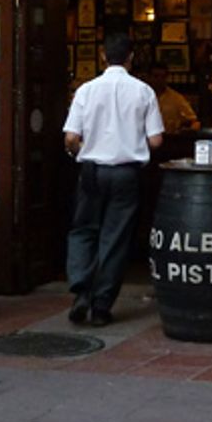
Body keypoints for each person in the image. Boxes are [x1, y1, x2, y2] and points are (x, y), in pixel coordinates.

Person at [64, 35, 164, 327]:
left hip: (92, 170)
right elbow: (156, 140)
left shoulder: (86, 90)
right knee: (115, 238)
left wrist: (79, 151)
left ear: (102, 56)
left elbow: (71, 137)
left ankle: (81, 291)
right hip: (126, 173)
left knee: (83, 231)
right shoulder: (144, 91)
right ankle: (102, 306)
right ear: (131, 57)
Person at [147, 62, 200, 134]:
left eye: (163, 77)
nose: (159, 80)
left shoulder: (176, 98)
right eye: (156, 76)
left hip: (170, 139)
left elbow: (194, 121)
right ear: (149, 77)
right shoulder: (142, 97)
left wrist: (190, 130)